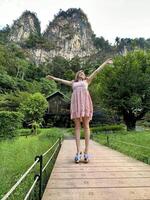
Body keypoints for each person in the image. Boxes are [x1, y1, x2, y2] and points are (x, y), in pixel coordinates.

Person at [46, 58, 113, 163]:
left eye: (83, 73)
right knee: (77, 126)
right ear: (77, 75)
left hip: (85, 103)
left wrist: (105, 63)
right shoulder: (73, 83)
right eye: (80, 73)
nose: (82, 73)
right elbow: (62, 81)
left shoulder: (87, 81)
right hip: (76, 105)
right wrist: (53, 78)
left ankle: (86, 151)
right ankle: (78, 152)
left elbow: (97, 71)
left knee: (86, 125)